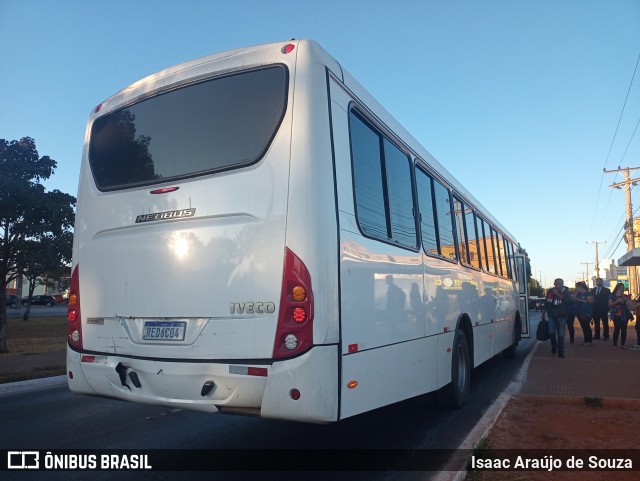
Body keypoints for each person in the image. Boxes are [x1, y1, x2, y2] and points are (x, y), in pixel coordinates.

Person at [541, 278, 573, 358]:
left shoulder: (566, 292)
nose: (560, 285)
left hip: (562, 316)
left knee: (561, 334)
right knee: (551, 332)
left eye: (561, 283)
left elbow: (569, 301)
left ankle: (560, 352)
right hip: (551, 315)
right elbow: (546, 302)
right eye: (558, 283)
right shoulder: (550, 291)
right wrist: (543, 313)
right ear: (554, 284)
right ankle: (554, 345)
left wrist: (558, 294)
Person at [608, 282, 632, 349]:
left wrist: (628, 301)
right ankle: (614, 344)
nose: (622, 289)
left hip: (624, 315)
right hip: (616, 315)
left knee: (624, 329)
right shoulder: (612, 295)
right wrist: (618, 301)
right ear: (617, 288)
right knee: (617, 328)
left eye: (623, 288)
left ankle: (622, 344)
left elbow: (629, 306)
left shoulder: (625, 296)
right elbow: (610, 304)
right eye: (620, 288)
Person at [573, 281, 594, 346]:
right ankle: (586, 340)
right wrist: (575, 294)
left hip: (586, 312)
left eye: (577, 287)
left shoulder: (587, 293)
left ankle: (589, 341)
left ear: (580, 287)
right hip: (579, 312)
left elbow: (591, 301)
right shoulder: (578, 294)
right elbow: (573, 300)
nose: (576, 289)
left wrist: (581, 300)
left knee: (586, 326)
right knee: (583, 327)